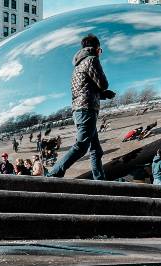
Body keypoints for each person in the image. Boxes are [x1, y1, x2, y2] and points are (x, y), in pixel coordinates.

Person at [47, 34, 116, 180]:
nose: (100, 53)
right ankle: (54, 173)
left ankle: (99, 179)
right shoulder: (91, 59)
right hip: (87, 109)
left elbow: (85, 90)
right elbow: (103, 84)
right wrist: (104, 91)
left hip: (80, 108)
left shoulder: (78, 66)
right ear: (96, 48)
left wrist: (103, 95)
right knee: (82, 146)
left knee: (96, 150)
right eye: (100, 50)